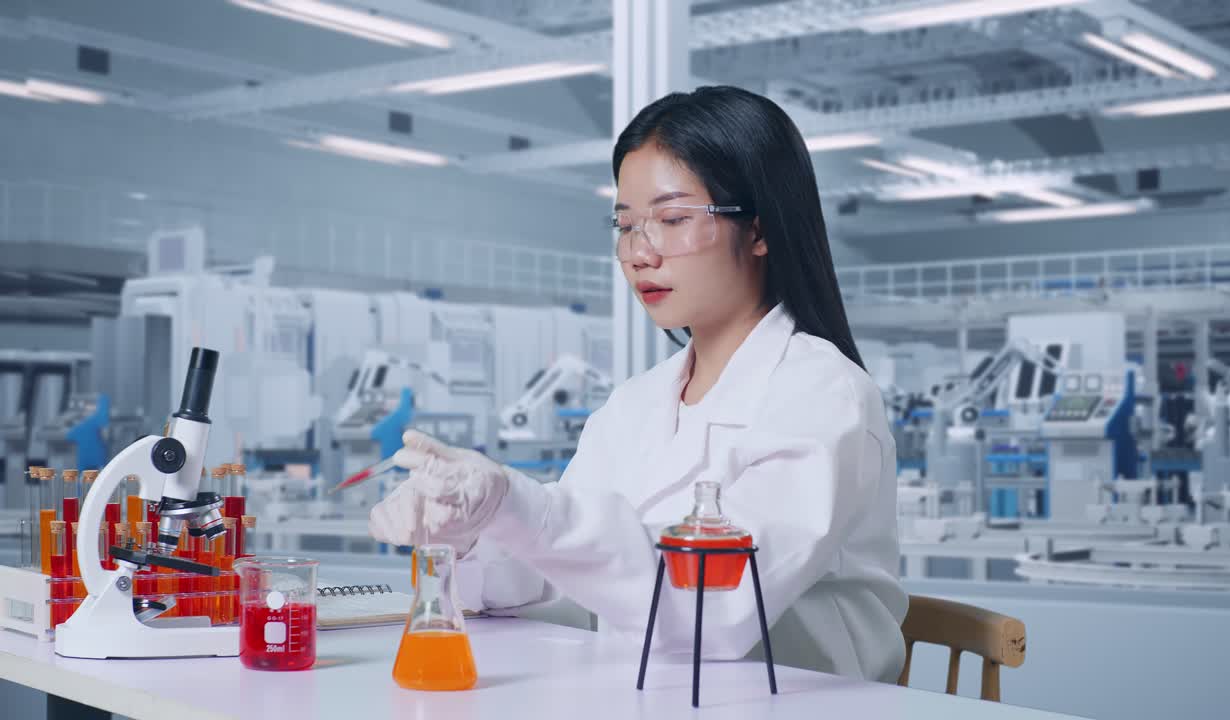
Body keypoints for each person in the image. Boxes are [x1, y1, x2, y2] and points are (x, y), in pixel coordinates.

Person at [369, 85, 907, 682]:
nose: (639, 254)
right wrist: (471, 532)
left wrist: (518, 503)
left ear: (759, 230)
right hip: (649, 692)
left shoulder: (822, 394)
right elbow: (553, 575)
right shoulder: (637, 405)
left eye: (672, 219)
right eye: (625, 225)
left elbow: (713, 608)